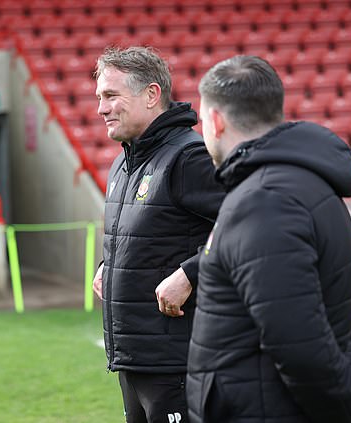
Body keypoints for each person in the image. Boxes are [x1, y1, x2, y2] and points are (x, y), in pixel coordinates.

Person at [187, 55, 351, 423]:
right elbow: (335, 316)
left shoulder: (265, 200)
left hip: (262, 409)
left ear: (216, 121)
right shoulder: (305, 182)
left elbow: (300, 345)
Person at [92, 46, 225, 423]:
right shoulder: (124, 162)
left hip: (177, 364)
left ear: (151, 95)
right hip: (135, 361)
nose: (101, 108)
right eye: (99, 97)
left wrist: (190, 273)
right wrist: (110, 266)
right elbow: (152, 238)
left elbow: (247, 226)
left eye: (111, 96)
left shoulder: (189, 157)